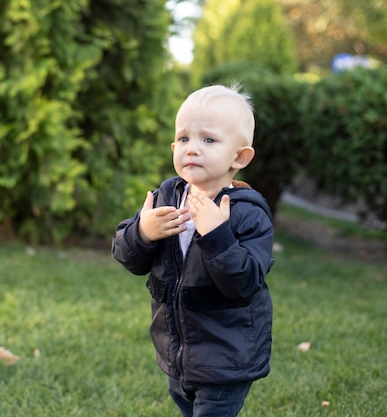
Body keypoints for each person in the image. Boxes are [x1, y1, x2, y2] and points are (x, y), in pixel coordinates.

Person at [111, 84, 274, 417]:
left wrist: (217, 235)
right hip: (177, 351)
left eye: (209, 140)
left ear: (239, 157)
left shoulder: (247, 213)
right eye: (184, 139)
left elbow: (244, 282)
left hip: (227, 357)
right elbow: (126, 254)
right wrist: (142, 232)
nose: (192, 149)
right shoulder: (167, 197)